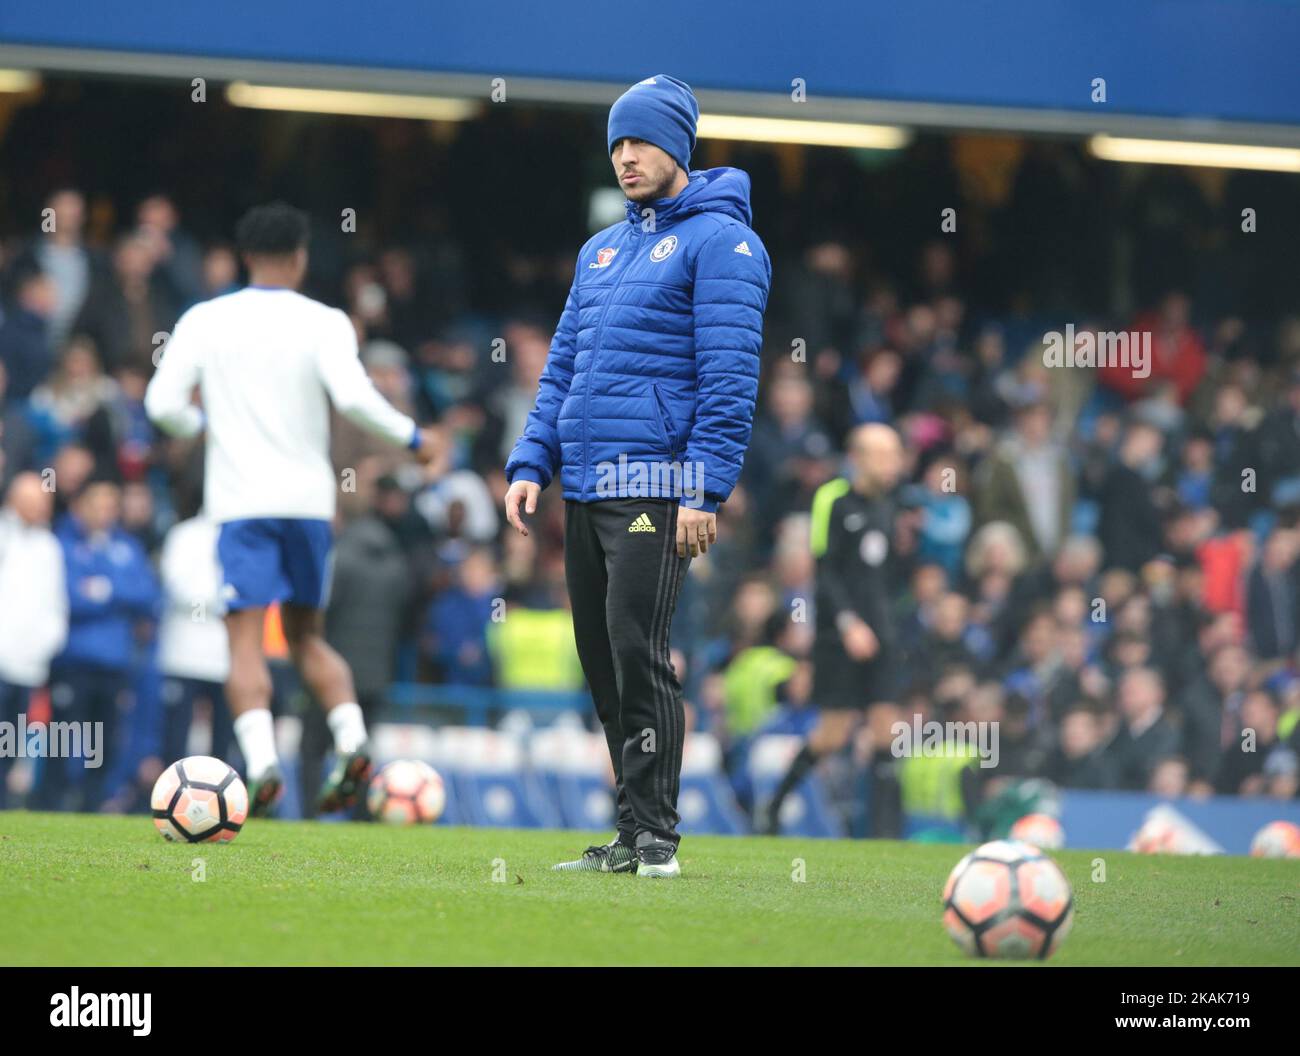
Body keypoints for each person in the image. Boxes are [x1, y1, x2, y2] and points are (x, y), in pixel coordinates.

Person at [502, 75, 771, 877]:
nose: (625, 157)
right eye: (616, 144)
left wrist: (702, 488)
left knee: (636, 646)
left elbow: (729, 378)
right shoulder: (603, 248)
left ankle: (657, 838)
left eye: (640, 141)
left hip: (654, 486)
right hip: (584, 484)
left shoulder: (724, 244)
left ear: (678, 147)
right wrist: (531, 460)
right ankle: (630, 832)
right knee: (601, 658)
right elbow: (564, 369)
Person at [144, 202, 439, 816]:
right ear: (300, 256)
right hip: (309, 506)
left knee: (246, 644)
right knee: (308, 637)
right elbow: (356, 398)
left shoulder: (206, 319)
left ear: (245, 256)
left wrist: (200, 422)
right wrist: (415, 438)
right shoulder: (325, 321)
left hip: (241, 504)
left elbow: (161, 404)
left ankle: (261, 763)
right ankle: (354, 742)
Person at [762, 424, 906, 837]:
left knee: (885, 731)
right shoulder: (833, 499)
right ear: (859, 457)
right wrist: (848, 624)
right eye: (886, 454)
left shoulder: (890, 505)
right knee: (833, 733)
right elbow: (824, 573)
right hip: (839, 635)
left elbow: (883, 577)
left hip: (881, 634)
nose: (894, 463)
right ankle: (773, 808)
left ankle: (884, 834)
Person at [0, 473, 68, 808]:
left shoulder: (49, 546)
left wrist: (45, 644)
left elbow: (55, 605)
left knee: (10, 740)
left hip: (28, 663)